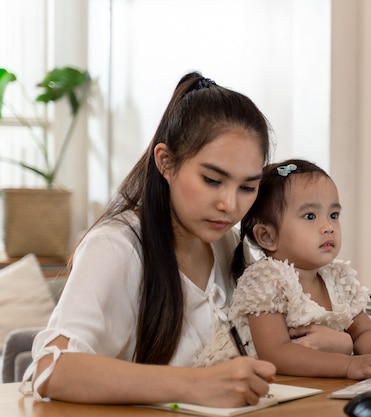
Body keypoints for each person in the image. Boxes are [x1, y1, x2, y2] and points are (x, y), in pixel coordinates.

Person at [20, 72, 279, 408]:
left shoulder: (226, 243)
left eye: (247, 187)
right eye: (212, 180)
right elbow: (51, 369)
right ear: (166, 163)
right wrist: (194, 385)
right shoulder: (116, 246)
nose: (230, 205)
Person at [193, 159, 371, 379]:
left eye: (333, 215)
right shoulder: (266, 279)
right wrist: (349, 364)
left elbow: (364, 332)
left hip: (302, 386)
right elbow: (276, 354)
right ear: (267, 236)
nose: (328, 227)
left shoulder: (338, 277)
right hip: (237, 386)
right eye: (310, 216)